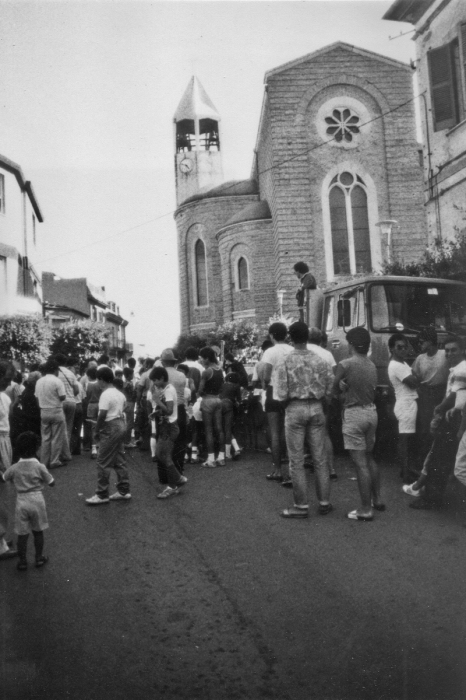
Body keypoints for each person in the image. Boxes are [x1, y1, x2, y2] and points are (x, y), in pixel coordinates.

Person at [275, 321, 334, 519]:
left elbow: (280, 393)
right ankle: (324, 502)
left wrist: (289, 405)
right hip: (316, 407)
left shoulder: (284, 360)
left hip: (295, 408)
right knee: (320, 459)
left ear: (291, 337)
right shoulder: (320, 359)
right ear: (307, 337)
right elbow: (329, 388)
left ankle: (301, 505)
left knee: (296, 460)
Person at [408, 336, 466, 509]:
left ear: (463, 351)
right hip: (456, 416)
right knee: (442, 457)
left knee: (439, 458)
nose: (449, 353)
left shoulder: (462, 369)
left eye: (453, 350)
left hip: (455, 420)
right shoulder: (457, 368)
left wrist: (440, 408)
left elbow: (456, 396)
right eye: (446, 350)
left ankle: (431, 499)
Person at [333, 328, 384, 521]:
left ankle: (365, 509)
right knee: (370, 458)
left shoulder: (345, 364)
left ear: (352, 344)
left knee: (360, 463)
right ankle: (377, 499)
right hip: (371, 412)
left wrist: (340, 387)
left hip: (354, 414)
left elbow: (334, 392)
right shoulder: (371, 364)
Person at [2, 431, 54, 570]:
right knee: (38, 531)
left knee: (22, 534)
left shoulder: (14, 468)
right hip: (37, 499)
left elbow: (3, 478)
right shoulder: (39, 466)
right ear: (36, 448)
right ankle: (38, 558)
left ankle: (23, 561)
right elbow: (51, 482)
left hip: (21, 501)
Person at [85, 367, 131, 505]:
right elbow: (126, 408)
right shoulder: (119, 393)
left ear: (101, 379)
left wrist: (97, 430)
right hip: (120, 424)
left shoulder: (105, 394)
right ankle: (123, 490)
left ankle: (102, 493)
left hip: (110, 426)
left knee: (103, 461)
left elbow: (102, 414)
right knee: (119, 459)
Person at [259, 322, 293, 484]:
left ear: (272, 335)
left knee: (275, 432)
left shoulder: (270, 352)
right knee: (289, 431)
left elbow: (265, 376)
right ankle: (292, 471)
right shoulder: (292, 350)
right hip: (290, 393)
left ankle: (277, 470)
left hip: (274, 392)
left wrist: (265, 386)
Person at [411, 328, 449, 469]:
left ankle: (441, 462)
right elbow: (415, 377)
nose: (420, 345)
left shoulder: (444, 354)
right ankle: (424, 463)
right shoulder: (420, 359)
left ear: (430, 342)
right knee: (426, 428)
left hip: (442, 393)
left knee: (443, 427)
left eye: (421, 342)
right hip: (426, 396)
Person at [150, 367, 187, 499]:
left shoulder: (169, 390)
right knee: (163, 455)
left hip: (169, 427)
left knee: (163, 454)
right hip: (168, 426)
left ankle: (177, 480)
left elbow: (170, 410)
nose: (154, 383)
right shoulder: (167, 389)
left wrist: (157, 400)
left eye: (155, 380)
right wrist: (157, 411)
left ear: (161, 378)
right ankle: (174, 484)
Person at [387, 333, 419, 483]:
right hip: (405, 404)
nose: (403, 350)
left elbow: (414, 377)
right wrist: (416, 377)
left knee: (406, 439)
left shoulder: (402, 363)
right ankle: (405, 473)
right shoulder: (397, 366)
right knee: (404, 440)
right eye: (399, 347)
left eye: (405, 347)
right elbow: (414, 382)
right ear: (392, 348)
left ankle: (405, 469)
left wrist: (415, 376)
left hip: (407, 402)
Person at [308, 327, 338, 480]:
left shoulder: (301, 352)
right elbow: (334, 377)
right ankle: (330, 468)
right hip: (322, 399)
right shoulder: (327, 354)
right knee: (324, 433)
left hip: (304, 399)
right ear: (320, 340)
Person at [35, 358, 70, 469]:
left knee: (45, 437)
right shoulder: (57, 381)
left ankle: (43, 461)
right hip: (56, 410)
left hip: (43, 410)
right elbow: (62, 396)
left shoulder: (39, 381)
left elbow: (36, 397)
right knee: (56, 437)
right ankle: (54, 460)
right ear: (55, 370)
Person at [0, 360, 18, 561]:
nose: (9, 381)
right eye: (7, 377)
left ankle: (2, 539)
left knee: (4, 493)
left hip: (4, 442)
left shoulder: (4, 397)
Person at [160, 349, 188, 473]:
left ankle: (168, 474)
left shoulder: (161, 375)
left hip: (166, 409)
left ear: (163, 362)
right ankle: (179, 470)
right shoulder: (181, 375)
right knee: (180, 442)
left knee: (165, 443)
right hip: (180, 409)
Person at [198, 347, 225, 467]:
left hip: (207, 400)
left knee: (208, 430)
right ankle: (221, 457)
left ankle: (211, 459)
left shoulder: (206, 372)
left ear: (207, 358)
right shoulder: (220, 370)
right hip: (218, 400)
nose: (201, 361)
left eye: (202, 358)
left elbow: (200, 390)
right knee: (219, 429)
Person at [55, 354, 80, 457]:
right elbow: (77, 390)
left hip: (60, 402)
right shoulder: (70, 373)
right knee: (68, 428)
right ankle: (67, 452)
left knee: (59, 428)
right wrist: (70, 395)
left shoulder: (56, 373)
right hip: (71, 402)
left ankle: (59, 452)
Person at [219, 372, 242, 460]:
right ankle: (228, 453)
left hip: (219, 404)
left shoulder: (223, 385)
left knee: (220, 428)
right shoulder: (236, 386)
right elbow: (239, 400)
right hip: (228, 405)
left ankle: (222, 452)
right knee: (228, 429)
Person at [122, 367, 137, 447]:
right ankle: (127, 441)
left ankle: (125, 440)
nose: (133, 375)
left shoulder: (125, 383)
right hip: (130, 403)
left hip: (126, 402)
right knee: (130, 422)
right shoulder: (129, 384)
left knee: (127, 422)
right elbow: (133, 395)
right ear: (129, 375)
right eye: (132, 374)